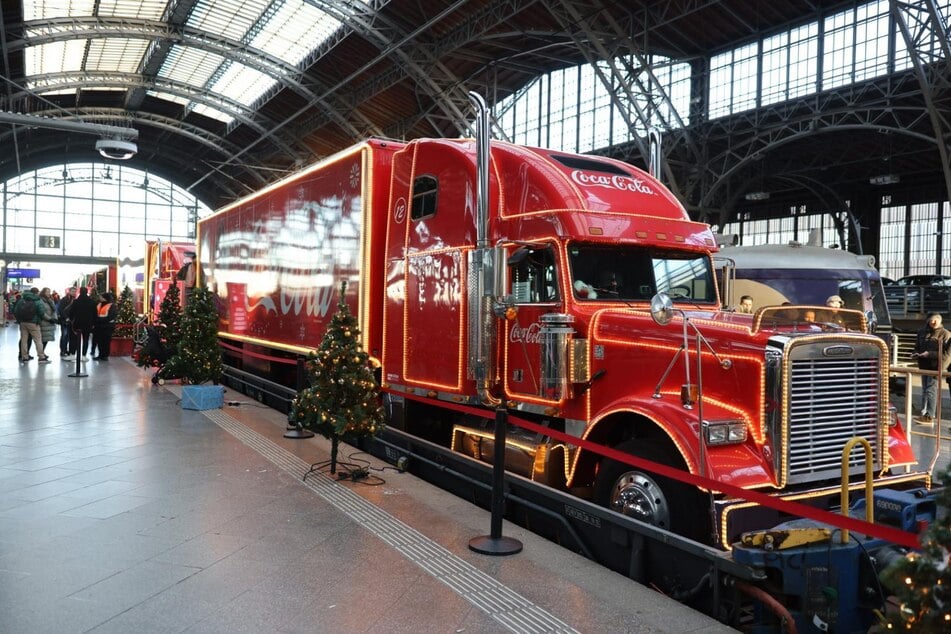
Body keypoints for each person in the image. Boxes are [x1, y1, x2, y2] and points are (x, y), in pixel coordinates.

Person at [913, 312, 951, 424]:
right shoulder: (922, 332)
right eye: (930, 320)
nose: (932, 322)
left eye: (935, 320)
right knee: (925, 390)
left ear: (940, 321)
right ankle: (924, 414)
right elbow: (917, 346)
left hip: (935, 367)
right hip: (924, 365)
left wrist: (929, 354)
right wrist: (915, 353)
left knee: (931, 390)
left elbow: (946, 354)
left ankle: (929, 415)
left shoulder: (945, 334)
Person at [14, 287, 50, 364]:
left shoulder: (22, 300)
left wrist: (19, 320)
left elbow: (15, 310)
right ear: (37, 293)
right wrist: (50, 319)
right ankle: (41, 357)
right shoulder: (37, 301)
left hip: (23, 323)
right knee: (38, 340)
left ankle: (25, 357)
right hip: (33, 323)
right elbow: (42, 313)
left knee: (24, 340)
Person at [69, 287, 97, 360]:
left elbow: (71, 313)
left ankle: (73, 354)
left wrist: (71, 320)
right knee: (86, 339)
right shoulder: (92, 302)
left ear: (80, 292)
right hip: (88, 324)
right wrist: (93, 323)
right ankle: (84, 356)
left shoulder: (75, 302)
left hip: (77, 323)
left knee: (75, 339)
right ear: (87, 292)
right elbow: (95, 314)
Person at [93, 292, 117, 360]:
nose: (100, 298)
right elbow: (95, 313)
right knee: (99, 341)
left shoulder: (112, 306)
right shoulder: (98, 304)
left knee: (106, 342)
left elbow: (111, 316)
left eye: (101, 297)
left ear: (105, 298)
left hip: (107, 327)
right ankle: (100, 355)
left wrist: (100, 319)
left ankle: (105, 356)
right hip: (99, 326)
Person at [38, 287, 57, 357]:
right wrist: (49, 319)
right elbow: (42, 312)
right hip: (44, 322)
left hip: (49, 323)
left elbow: (54, 309)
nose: (49, 293)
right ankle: (41, 354)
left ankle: (42, 353)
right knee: (43, 340)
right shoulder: (40, 300)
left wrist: (54, 318)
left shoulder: (50, 300)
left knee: (46, 339)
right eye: (47, 292)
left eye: (49, 291)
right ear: (43, 292)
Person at [58, 287, 77, 359]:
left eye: (75, 291)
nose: (74, 292)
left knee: (69, 337)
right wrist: (66, 317)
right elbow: (60, 309)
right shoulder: (64, 299)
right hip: (64, 320)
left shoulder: (75, 299)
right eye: (72, 291)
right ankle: (63, 350)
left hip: (72, 321)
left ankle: (67, 350)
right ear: (69, 291)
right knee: (64, 335)